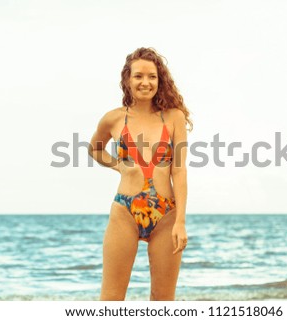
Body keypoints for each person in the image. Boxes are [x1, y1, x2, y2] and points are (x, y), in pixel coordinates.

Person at [89, 47, 192, 301]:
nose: (145, 82)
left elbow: (178, 171)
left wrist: (180, 221)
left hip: (166, 213)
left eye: (152, 76)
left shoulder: (174, 118)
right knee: (111, 300)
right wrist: (119, 165)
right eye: (138, 76)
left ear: (160, 80)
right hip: (125, 211)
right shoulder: (113, 119)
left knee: (162, 301)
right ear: (127, 79)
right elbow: (95, 149)